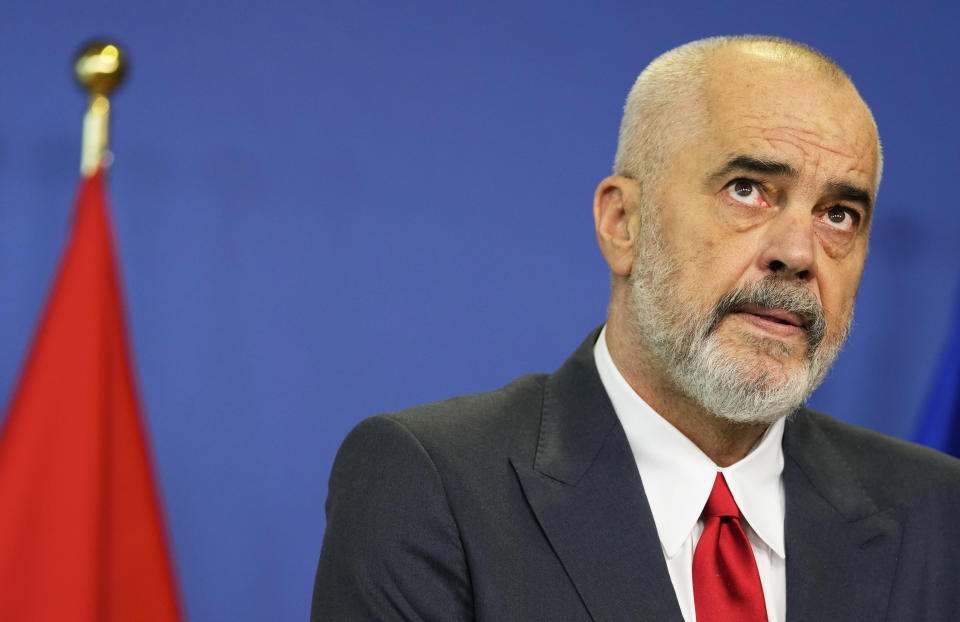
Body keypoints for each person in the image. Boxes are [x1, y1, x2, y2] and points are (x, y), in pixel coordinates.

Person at [311, 36, 960, 621]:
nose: (798, 252)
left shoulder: (939, 512)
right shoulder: (432, 486)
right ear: (623, 223)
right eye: (746, 189)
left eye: (840, 215)